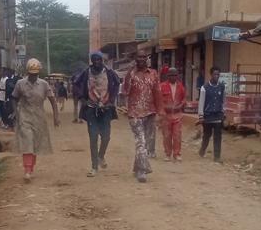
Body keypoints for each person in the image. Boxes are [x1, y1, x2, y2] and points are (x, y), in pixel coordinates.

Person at [12, 58, 60, 182]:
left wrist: (56, 116)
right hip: (24, 116)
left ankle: (31, 167)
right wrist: (16, 112)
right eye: (31, 74)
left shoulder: (44, 84)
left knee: (35, 143)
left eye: (36, 74)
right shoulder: (20, 84)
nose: (33, 76)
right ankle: (27, 170)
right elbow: (14, 98)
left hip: (39, 117)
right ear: (28, 73)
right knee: (27, 141)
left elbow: (53, 101)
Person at [77, 51, 120, 177]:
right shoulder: (86, 72)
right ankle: (94, 166)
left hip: (106, 108)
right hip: (91, 108)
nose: (97, 62)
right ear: (92, 61)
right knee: (93, 137)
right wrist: (82, 98)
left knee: (106, 137)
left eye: (99, 60)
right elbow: (76, 83)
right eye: (94, 60)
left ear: (102, 61)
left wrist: (112, 99)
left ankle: (101, 156)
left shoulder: (109, 72)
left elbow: (117, 83)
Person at [123, 54, 162, 183]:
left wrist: (159, 111)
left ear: (147, 59)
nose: (141, 60)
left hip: (150, 112)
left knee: (146, 142)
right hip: (134, 113)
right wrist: (129, 73)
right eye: (138, 57)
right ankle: (142, 170)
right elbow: (125, 91)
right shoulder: (131, 74)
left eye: (143, 57)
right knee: (141, 141)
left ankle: (136, 167)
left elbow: (157, 92)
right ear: (135, 60)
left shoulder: (154, 74)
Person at [198, 66, 225, 164]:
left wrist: (223, 112)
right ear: (211, 75)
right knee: (207, 135)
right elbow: (201, 102)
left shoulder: (221, 87)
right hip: (208, 116)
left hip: (218, 115)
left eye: (218, 74)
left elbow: (223, 101)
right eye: (215, 74)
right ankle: (202, 150)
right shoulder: (204, 87)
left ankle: (217, 156)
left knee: (218, 137)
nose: (216, 76)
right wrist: (201, 116)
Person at [160, 66, 186, 161]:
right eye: (171, 75)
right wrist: (164, 107)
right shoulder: (162, 86)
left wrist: (181, 105)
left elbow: (184, 99)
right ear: (168, 75)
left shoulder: (180, 86)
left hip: (177, 114)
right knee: (167, 135)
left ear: (177, 76)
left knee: (177, 135)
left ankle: (177, 154)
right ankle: (167, 154)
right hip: (166, 115)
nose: (173, 77)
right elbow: (158, 100)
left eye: (175, 75)